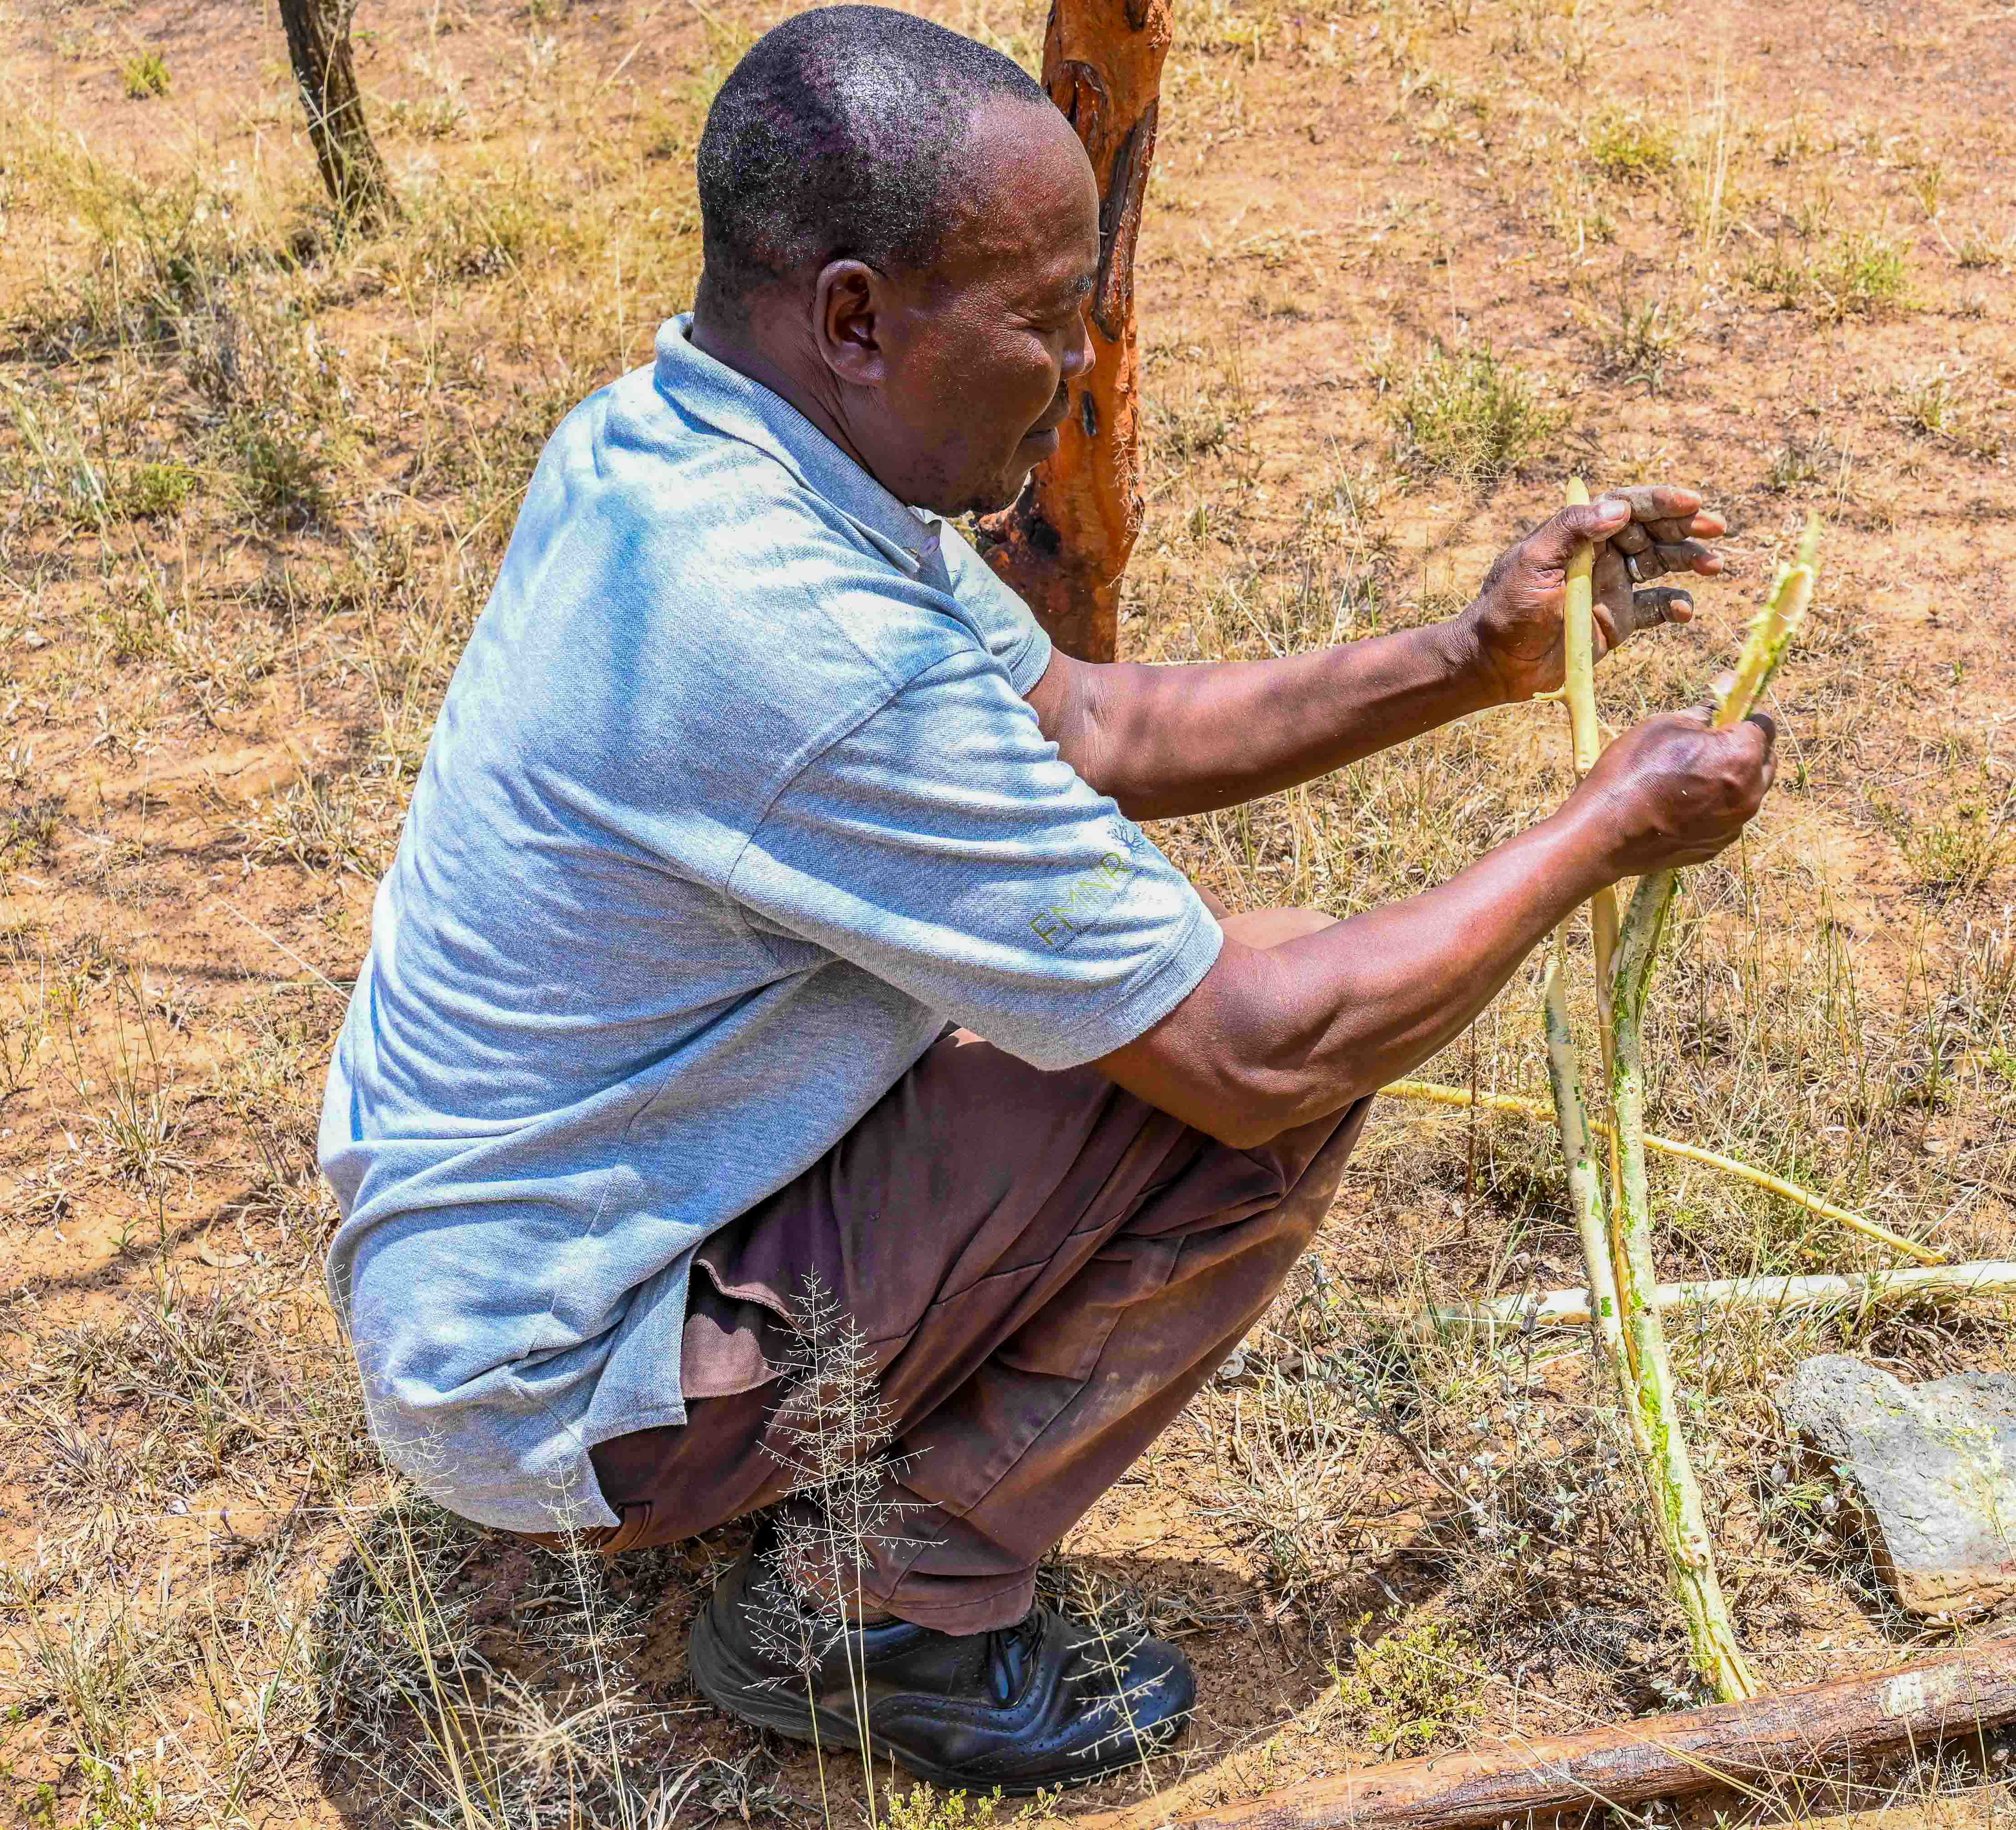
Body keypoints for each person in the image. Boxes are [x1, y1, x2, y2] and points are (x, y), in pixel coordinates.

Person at [318, 0, 1777, 1792]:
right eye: (1041, 316)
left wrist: (1473, 657)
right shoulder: (791, 636)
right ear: (855, 318)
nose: (1081, 362)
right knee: (1270, 1053)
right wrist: (1604, 824)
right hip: (552, 1374)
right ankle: (881, 1612)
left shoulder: (677, 444)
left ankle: (792, 1486)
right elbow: (1255, 1055)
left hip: (487, 1289)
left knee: (1206, 992)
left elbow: (1084, 720)